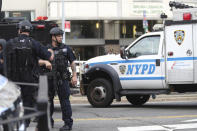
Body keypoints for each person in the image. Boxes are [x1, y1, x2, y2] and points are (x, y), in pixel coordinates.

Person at [5, 20, 54, 127]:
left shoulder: (9, 43)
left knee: (13, 104)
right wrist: (51, 50)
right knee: (27, 105)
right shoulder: (34, 43)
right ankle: (24, 125)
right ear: (30, 30)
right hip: (29, 82)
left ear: (19, 30)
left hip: (13, 82)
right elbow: (49, 57)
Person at [47, 27, 77, 131]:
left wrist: (74, 75)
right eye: (59, 36)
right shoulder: (47, 49)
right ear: (53, 37)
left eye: (61, 36)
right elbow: (39, 61)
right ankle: (48, 121)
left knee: (65, 101)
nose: (61, 38)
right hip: (50, 79)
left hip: (63, 79)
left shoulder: (66, 48)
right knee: (48, 101)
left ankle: (68, 123)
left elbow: (72, 62)